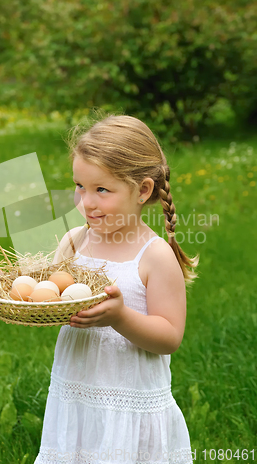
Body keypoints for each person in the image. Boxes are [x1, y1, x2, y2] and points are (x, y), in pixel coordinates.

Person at [34, 113, 200, 464]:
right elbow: (52, 293)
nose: (87, 202)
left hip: (128, 398)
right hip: (77, 393)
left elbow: (170, 336)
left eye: (101, 190)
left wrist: (120, 317)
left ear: (142, 190)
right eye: (79, 186)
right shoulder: (74, 243)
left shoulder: (154, 256)